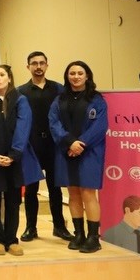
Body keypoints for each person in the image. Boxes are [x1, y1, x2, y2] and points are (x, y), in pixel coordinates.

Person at [0, 64, 42, 256]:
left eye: (1, 75)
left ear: (9, 78)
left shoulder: (20, 100)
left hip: (15, 159)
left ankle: (11, 239)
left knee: (13, 200)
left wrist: (13, 155)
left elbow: (24, 127)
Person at [49, 60, 108, 253]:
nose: (76, 77)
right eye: (72, 73)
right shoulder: (59, 100)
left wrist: (80, 144)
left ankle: (93, 238)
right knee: (73, 193)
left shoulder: (97, 100)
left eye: (80, 73)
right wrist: (69, 142)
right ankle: (79, 234)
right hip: (65, 151)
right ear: (67, 76)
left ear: (87, 76)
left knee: (88, 193)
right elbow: (54, 123)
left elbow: (100, 126)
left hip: (89, 152)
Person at [17, 52, 73, 241]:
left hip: (54, 145)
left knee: (55, 188)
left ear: (47, 65)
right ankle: (30, 228)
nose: (38, 66)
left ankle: (59, 226)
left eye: (42, 63)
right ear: (28, 67)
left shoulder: (59, 89)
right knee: (31, 189)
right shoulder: (20, 91)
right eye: (34, 63)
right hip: (31, 145)